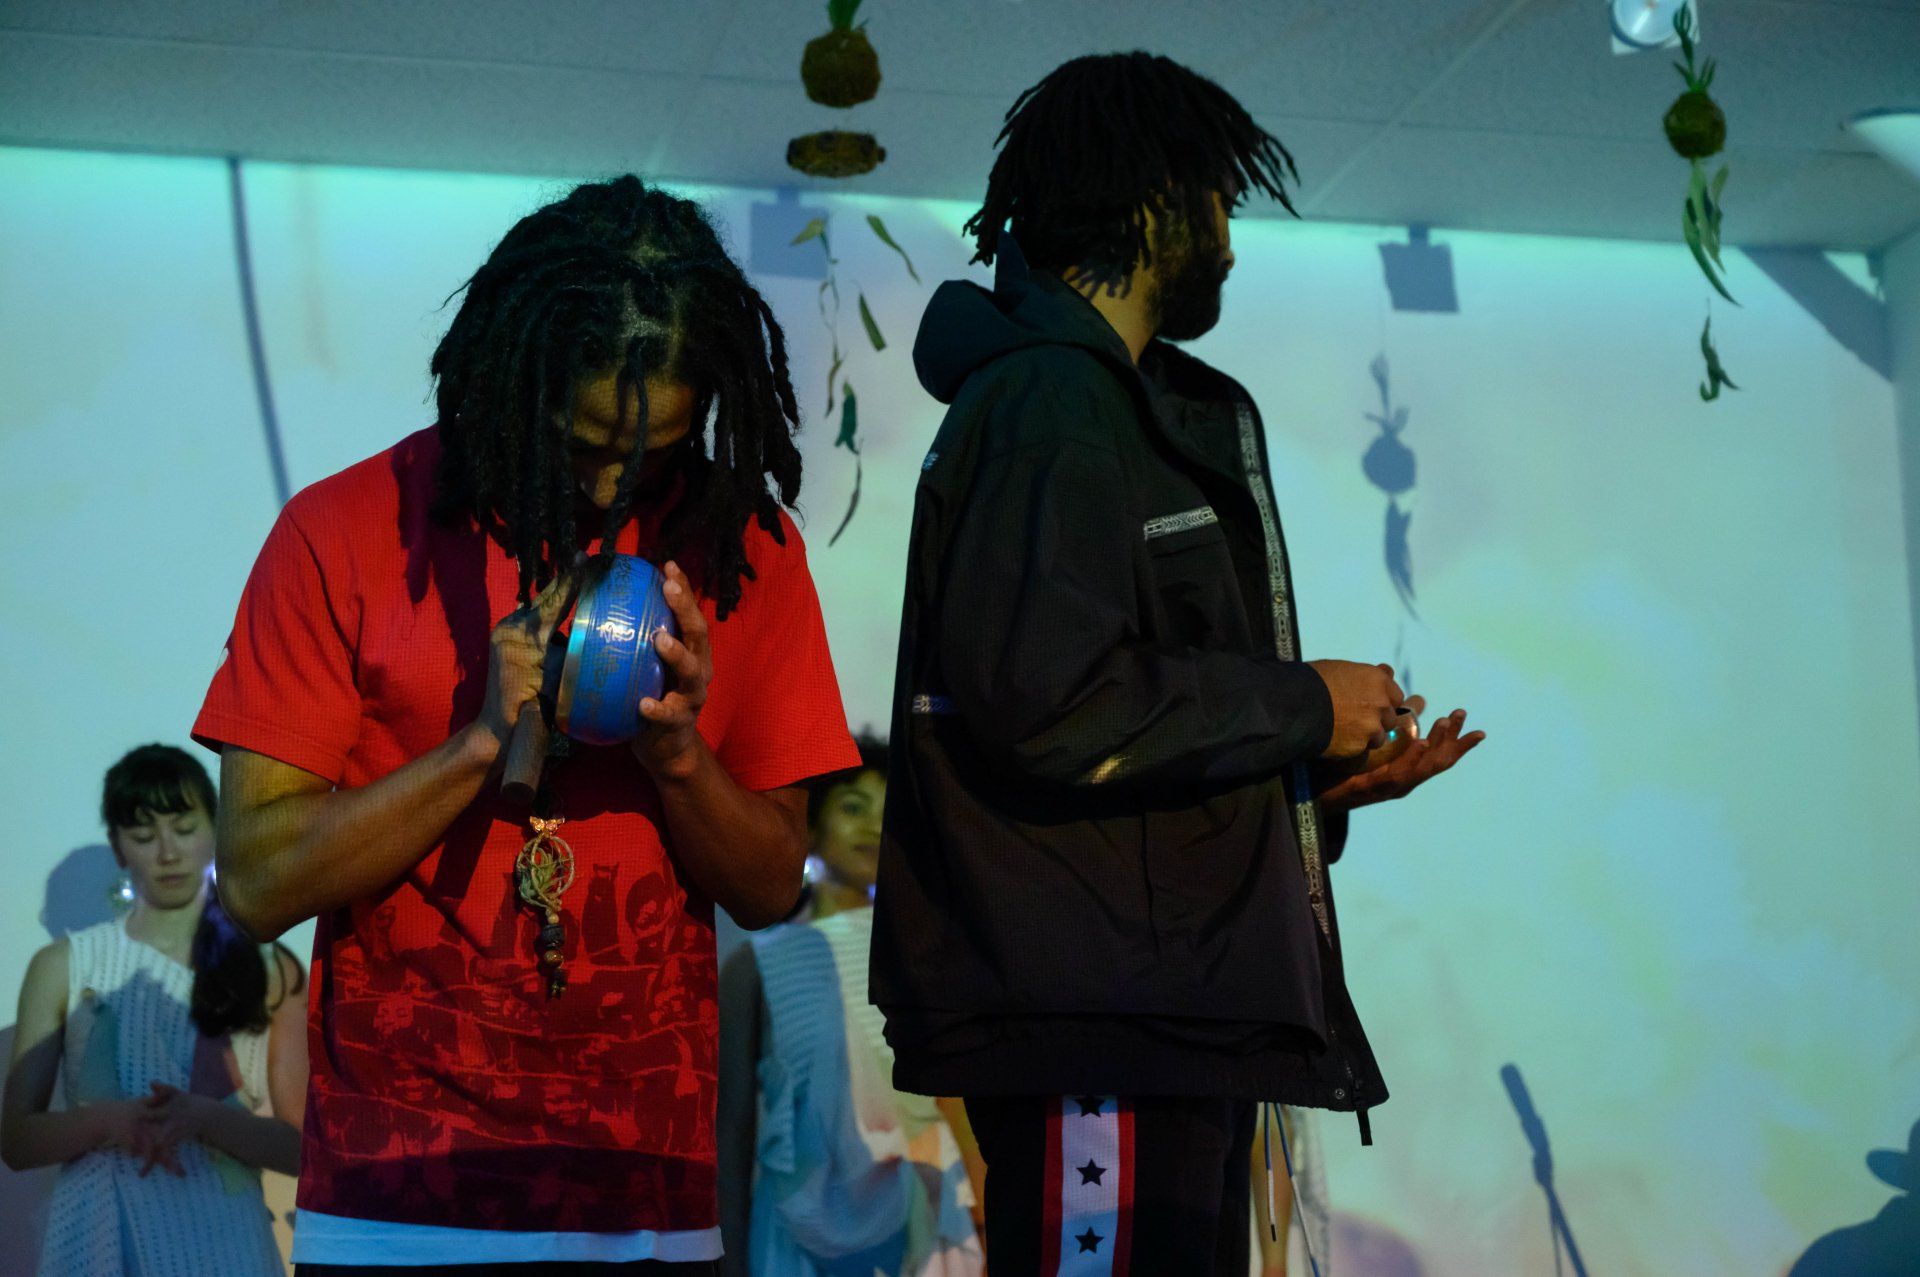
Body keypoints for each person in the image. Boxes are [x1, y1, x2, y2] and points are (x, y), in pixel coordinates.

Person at [871, 52, 1486, 1274]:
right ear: (1155, 203)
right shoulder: (1053, 405)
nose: (1231, 242)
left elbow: (1099, 721)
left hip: (1146, 1007)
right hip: (1095, 1018)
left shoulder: (1096, 405)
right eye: (1219, 201)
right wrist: (1300, 703)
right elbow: (1049, 701)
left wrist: (1303, 789)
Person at [194, 176, 861, 1273]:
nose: (607, 485)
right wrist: (473, 745)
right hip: (396, 1205)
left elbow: (768, 884)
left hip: (648, 1201)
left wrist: (678, 754)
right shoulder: (344, 528)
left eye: (651, 452)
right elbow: (258, 881)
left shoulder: (746, 550)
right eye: (579, 442)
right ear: (512, 380)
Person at [2, 744, 307, 1277]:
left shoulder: (269, 966)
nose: (167, 852)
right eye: (144, 836)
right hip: (96, 1238)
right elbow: (17, 1140)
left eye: (184, 828)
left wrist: (203, 1118)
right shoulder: (64, 965)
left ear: (217, 830)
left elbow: (304, 1149)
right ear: (119, 848)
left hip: (225, 1242)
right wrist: (111, 1121)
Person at [716, 736, 985, 1277]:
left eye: (888, 813)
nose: (871, 827)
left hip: (922, 1210)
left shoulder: (926, 950)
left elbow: (956, 1097)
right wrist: (730, 1252)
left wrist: (982, 1213)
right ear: (812, 826)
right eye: (854, 808)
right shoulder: (756, 964)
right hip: (796, 1224)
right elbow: (732, 1126)